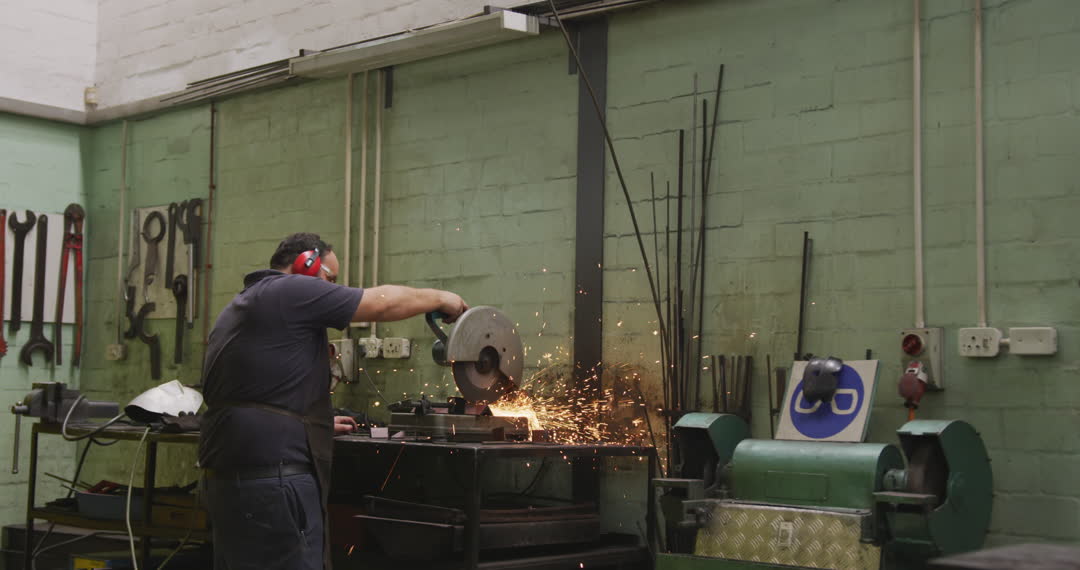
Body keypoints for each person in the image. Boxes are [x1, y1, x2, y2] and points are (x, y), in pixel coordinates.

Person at [198, 232, 467, 570]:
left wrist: (316, 425)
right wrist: (442, 298)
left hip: (233, 477)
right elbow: (382, 303)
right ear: (306, 264)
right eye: (331, 277)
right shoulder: (290, 290)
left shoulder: (249, 301)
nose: (333, 287)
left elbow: (262, 391)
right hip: (273, 480)